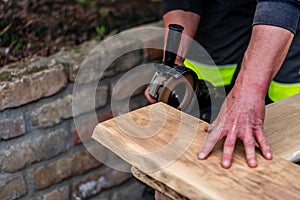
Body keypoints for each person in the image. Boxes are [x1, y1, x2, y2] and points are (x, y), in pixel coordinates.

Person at [145, 0, 300, 169]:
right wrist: (174, 59)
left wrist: (249, 91)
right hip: (223, 18)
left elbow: (281, 4)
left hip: (290, 20)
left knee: (287, 128)